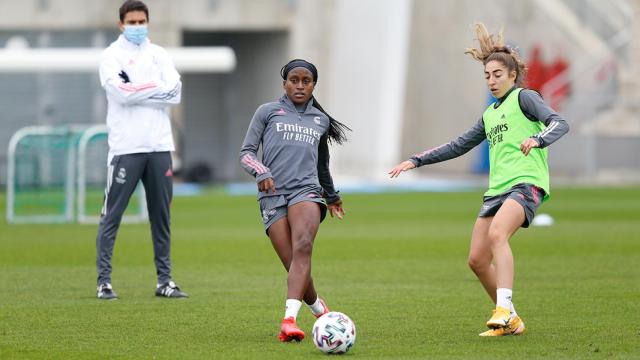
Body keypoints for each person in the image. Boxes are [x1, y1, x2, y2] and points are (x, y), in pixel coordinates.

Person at [389, 23, 569, 336]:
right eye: (487, 75)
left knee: (499, 234)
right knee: (476, 260)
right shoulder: (489, 115)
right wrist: (416, 160)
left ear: (512, 75)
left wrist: (538, 140)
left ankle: (502, 308)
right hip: (497, 190)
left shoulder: (525, 98)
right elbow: (458, 145)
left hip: (526, 182)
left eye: (497, 74)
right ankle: (511, 320)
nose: (492, 80)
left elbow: (559, 122)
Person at [239, 59, 349, 342]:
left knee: (303, 247)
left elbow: (322, 165)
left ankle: (288, 321)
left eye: (306, 81)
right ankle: (318, 308)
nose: (300, 86)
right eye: (294, 80)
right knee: (293, 264)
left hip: (307, 192)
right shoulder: (267, 112)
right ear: (284, 83)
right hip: (272, 196)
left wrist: (332, 196)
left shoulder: (320, 120)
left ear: (313, 85)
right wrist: (260, 170)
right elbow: (246, 153)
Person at [95, 0, 187, 300]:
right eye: (132, 22)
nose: (137, 27)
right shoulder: (111, 56)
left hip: (159, 146)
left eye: (141, 21)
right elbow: (119, 94)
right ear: (121, 24)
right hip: (126, 147)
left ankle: (165, 281)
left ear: (148, 22)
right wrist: (154, 88)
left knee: (162, 216)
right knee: (112, 215)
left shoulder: (159, 54)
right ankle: (104, 282)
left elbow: (175, 92)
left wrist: (138, 88)